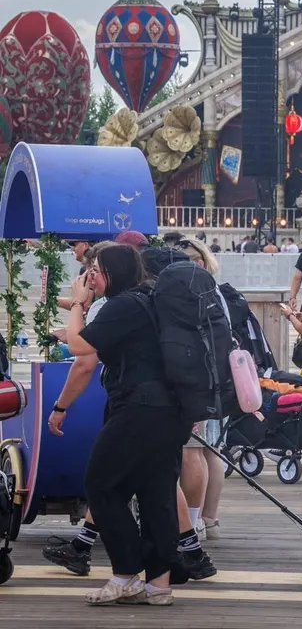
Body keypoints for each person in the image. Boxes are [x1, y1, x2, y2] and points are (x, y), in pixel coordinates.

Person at [62, 244, 192, 606]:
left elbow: (78, 346)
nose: (91, 278)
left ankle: (125, 574)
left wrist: (77, 303)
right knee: (156, 494)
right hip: (170, 411)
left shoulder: (122, 305)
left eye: (96, 271)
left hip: (138, 409)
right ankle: (158, 584)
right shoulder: (149, 298)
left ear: (112, 273)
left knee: (101, 485)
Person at [175, 239, 230, 542]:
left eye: (194, 259)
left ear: (205, 261)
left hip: (198, 380)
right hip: (215, 380)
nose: (190, 265)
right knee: (211, 449)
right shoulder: (216, 293)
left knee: (194, 449)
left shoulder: (195, 294)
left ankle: (195, 521)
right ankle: (209, 519)